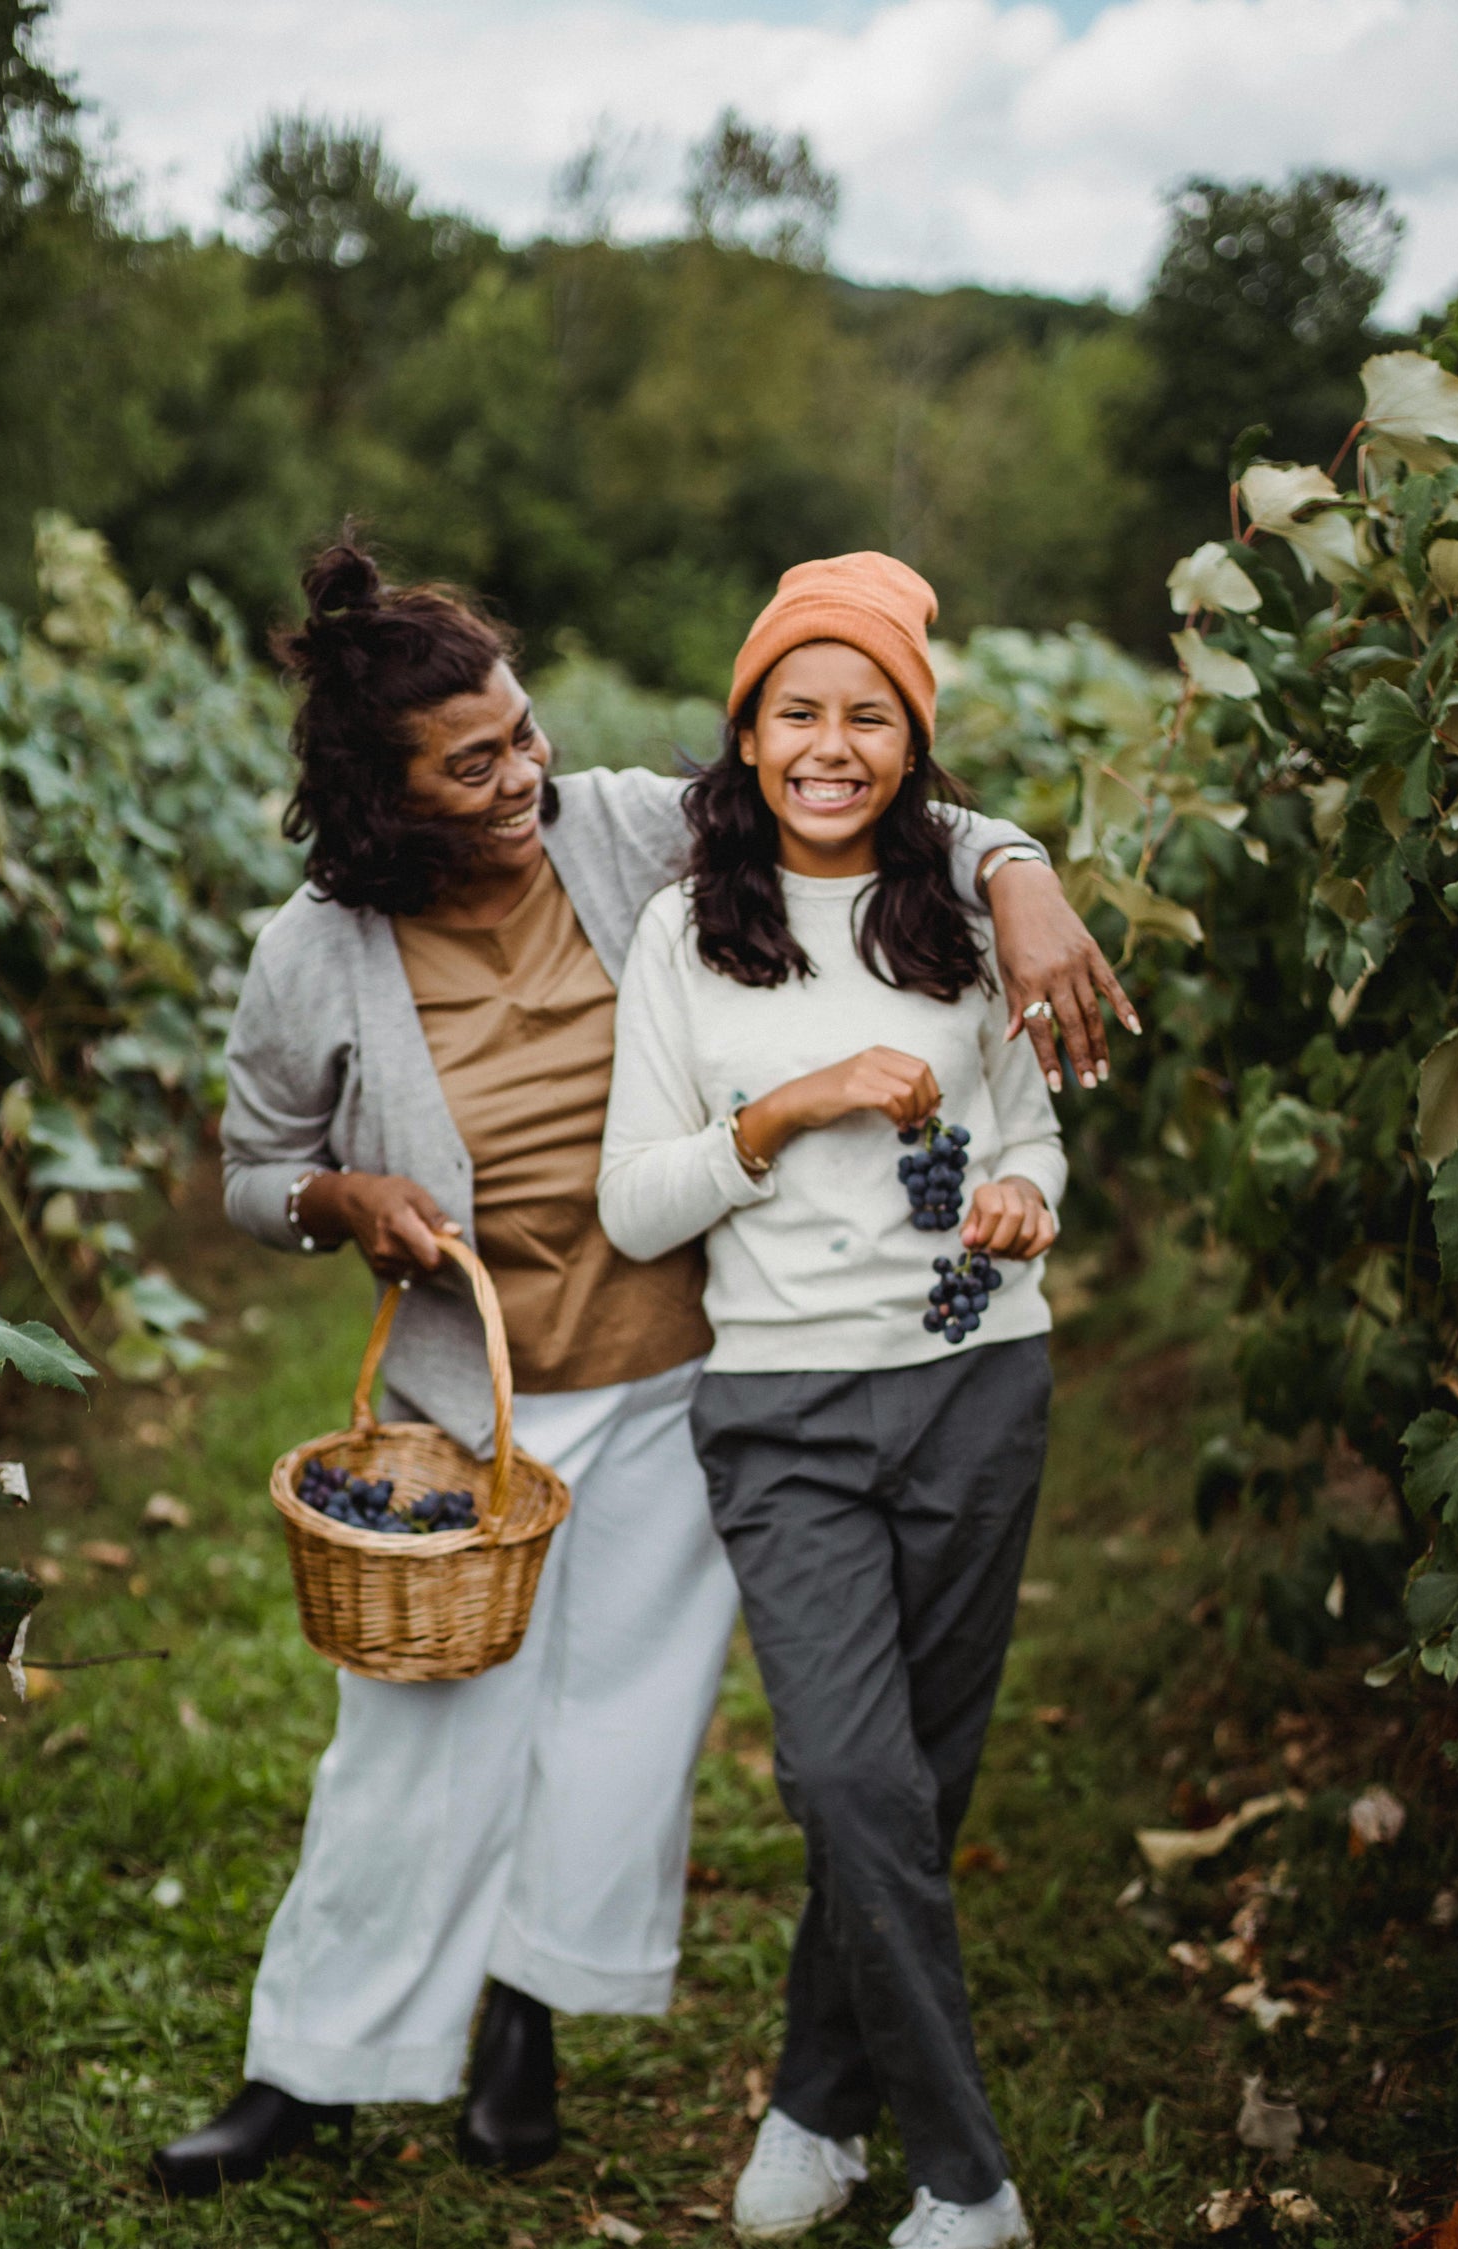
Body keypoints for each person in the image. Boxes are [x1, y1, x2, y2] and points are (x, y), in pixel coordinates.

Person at [151, 536, 1127, 2201]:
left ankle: (529, 2018)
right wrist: (337, 1197)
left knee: (622, 1729)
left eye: (523, 732)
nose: (525, 773)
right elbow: (254, 1167)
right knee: (407, 1742)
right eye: (475, 761)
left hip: (684, 1378)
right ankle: (306, 2064)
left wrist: (1021, 868)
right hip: (479, 1410)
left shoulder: (611, 829)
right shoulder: (314, 953)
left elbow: (857, 787)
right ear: (384, 791)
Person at [598, 553, 1064, 2249]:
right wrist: (782, 1109)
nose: (832, 743)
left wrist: (1029, 1197)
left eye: (871, 716)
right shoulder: (684, 931)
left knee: (914, 1787)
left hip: (975, 1381)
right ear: (747, 733)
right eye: (800, 709)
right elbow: (635, 1201)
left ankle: (817, 2098)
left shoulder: (952, 902)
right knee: (848, 1775)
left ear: (912, 746)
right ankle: (968, 2170)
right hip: (784, 1410)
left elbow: (1032, 1125)